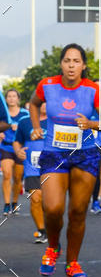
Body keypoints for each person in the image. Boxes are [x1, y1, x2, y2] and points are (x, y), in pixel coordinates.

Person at [29, 43, 101, 277]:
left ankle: (72, 263)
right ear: (61, 64)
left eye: (76, 61)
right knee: (53, 208)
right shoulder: (47, 85)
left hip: (85, 153)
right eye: (67, 61)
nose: (71, 66)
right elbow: (33, 103)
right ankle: (53, 246)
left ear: (83, 65)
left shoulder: (92, 89)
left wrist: (91, 124)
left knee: (78, 211)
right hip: (54, 153)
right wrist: (37, 127)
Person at [14, 101, 48, 242]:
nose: (44, 104)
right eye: (41, 102)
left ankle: (52, 227)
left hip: (53, 166)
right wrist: (18, 150)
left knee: (51, 203)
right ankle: (41, 230)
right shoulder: (24, 121)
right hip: (32, 166)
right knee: (35, 198)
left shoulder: (56, 120)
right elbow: (17, 141)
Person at [1, 89, 29, 215]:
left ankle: (15, 202)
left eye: (14, 96)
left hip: (20, 149)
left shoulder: (24, 113)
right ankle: (7, 205)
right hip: (6, 147)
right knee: (7, 175)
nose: (12, 99)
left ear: (18, 99)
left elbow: (30, 128)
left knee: (18, 178)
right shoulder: (3, 113)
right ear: (6, 99)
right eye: (9, 96)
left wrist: (20, 127)